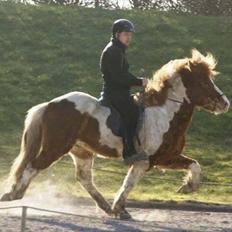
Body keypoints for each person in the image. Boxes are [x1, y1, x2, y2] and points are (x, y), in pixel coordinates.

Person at [99, 18, 149, 165]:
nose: (129, 38)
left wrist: (138, 80)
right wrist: (140, 82)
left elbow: (123, 74)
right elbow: (118, 77)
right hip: (114, 94)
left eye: (130, 34)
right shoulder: (113, 51)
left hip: (118, 92)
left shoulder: (118, 50)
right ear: (117, 34)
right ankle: (129, 153)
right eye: (126, 34)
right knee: (133, 112)